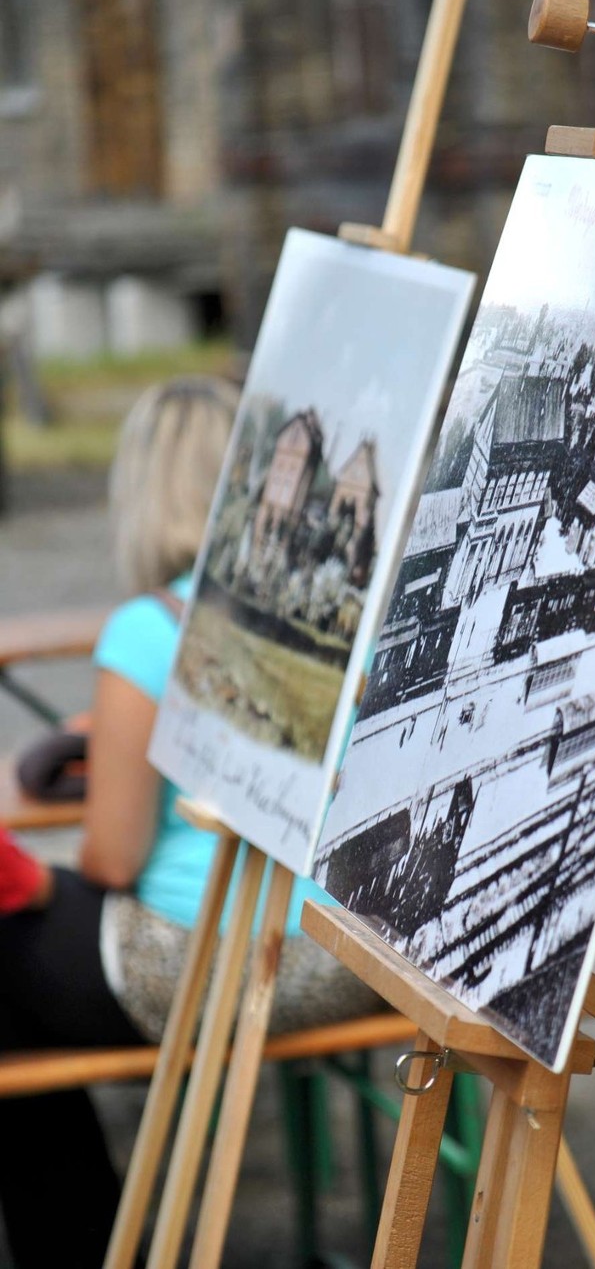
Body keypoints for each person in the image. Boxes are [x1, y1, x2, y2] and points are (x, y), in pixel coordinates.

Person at [0, 377, 381, 1269]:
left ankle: (82, 1246)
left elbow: (115, 856)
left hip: (208, 967)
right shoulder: (345, 613)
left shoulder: (152, 629)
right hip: (355, 958)